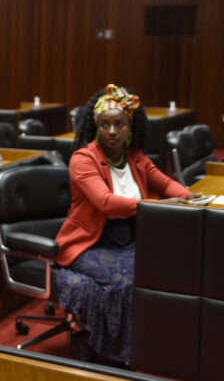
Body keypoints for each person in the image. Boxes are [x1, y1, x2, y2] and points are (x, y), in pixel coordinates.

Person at [54, 84, 201, 365]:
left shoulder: (135, 157)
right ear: (96, 126)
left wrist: (189, 197)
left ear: (130, 126)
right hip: (89, 243)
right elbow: (106, 202)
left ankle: (149, 343)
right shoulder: (83, 159)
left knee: (161, 271)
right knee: (127, 280)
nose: (111, 131)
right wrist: (162, 206)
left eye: (119, 124)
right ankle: (122, 352)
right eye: (105, 124)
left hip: (129, 238)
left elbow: (164, 182)